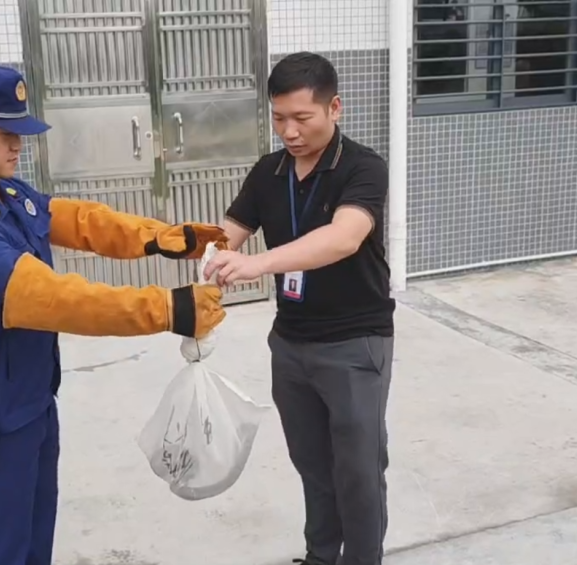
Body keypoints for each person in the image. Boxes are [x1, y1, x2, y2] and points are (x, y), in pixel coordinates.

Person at [0, 64, 228, 565]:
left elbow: (82, 222)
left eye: (21, 132)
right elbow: (58, 299)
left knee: (36, 542)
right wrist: (168, 308)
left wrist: (162, 238)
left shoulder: (7, 193)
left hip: (32, 403)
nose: (18, 144)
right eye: (5, 133)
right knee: (3, 552)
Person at [203, 52, 396, 565]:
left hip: (355, 343)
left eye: (302, 118)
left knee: (358, 470)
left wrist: (257, 264)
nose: (289, 132)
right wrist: (199, 255)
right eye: (279, 118)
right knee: (312, 462)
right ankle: (320, 555)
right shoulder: (269, 172)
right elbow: (226, 235)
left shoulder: (362, 167)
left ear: (335, 108)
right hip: (291, 343)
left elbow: (343, 237)